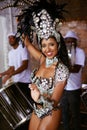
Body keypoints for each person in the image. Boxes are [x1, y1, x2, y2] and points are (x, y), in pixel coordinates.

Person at [18, 1, 70, 129]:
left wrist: (39, 97)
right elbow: (29, 45)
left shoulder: (61, 70)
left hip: (51, 112)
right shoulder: (42, 59)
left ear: (57, 44)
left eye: (51, 44)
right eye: (44, 45)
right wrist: (22, 27)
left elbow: (54, 102)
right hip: (37, 110)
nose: (48, 49)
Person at [61, 30, 85, 130]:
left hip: (74, 88)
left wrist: (61, 67)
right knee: (64, 112)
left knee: (75, 114)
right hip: (63, 87)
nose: (70, 43)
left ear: (75, 42)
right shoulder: (63, 53)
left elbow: (76, 69)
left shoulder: (80, 52)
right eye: (67, 41)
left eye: (72, 41)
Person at [0, 32, 32, 104]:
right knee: (19, 103)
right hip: (17, 82)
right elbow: (12, 68)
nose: (10, 40)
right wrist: (2, 74)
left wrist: (10, 75)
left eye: (12, 37)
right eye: (9, 38)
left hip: (26, 81)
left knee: (28, 103)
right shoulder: (10, 53)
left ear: (16, 39)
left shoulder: (22, 48)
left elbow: (24, 66)